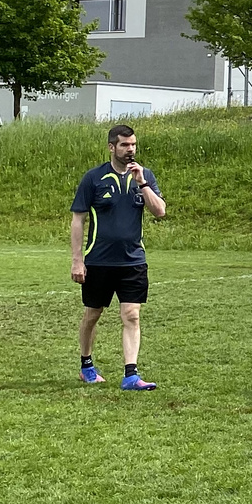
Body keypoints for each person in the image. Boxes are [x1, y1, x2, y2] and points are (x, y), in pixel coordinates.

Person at [70, 124, 167, 391]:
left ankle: (131, 375)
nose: (130, 150)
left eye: (133, 144)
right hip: (98, 261)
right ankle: (86, 365)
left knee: (132, 315)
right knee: (92, 314)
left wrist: (143, 183)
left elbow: (160, 211)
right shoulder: (94, 178)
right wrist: (77, 260)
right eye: (124, 145)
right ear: (112, 147)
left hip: (133, 261)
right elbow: (78, 219)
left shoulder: (144, 176)